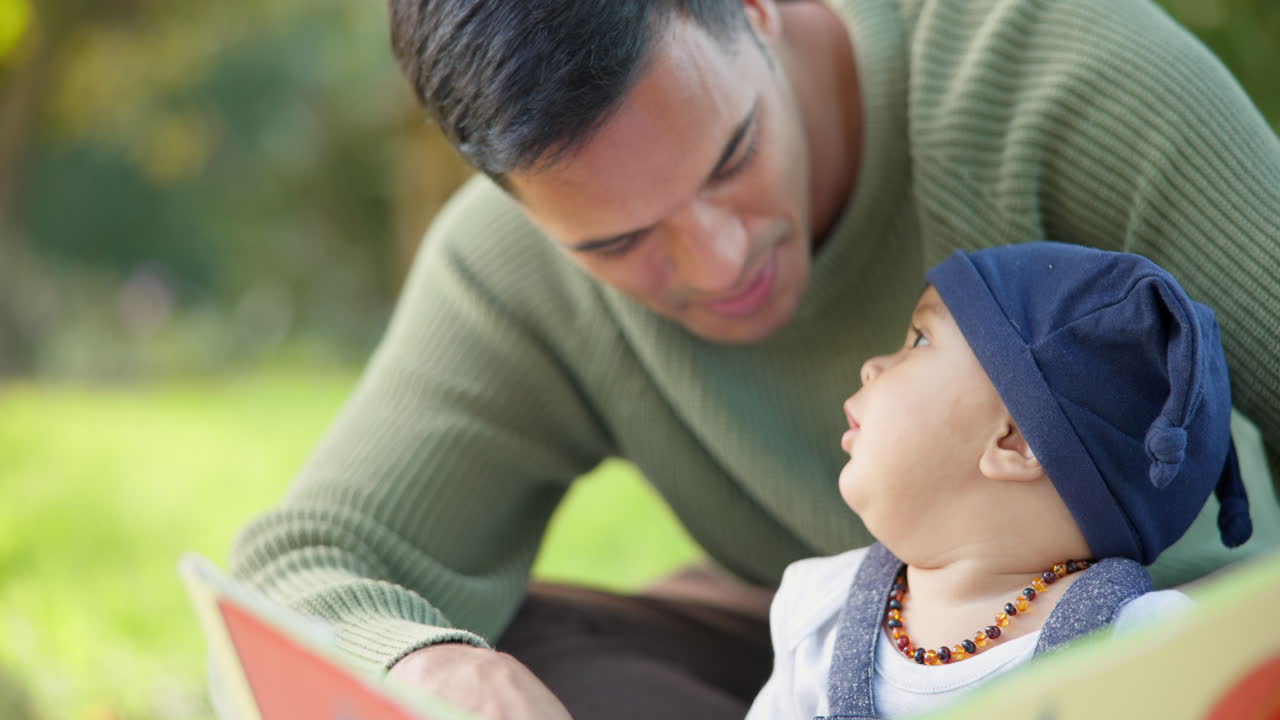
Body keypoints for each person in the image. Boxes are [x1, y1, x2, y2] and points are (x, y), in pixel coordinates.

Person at [228, 1, 1280, 718]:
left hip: (1177, 664)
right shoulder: (509, 270)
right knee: (511, 651)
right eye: (617, 244)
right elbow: (310, 562)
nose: (717, 261)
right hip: (835, 661)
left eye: (729, 159)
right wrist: (434, 667)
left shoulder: (1057, 71)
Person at [745, 242, 1252, 720]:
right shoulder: (820, 615)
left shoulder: (1134, 647)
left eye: (919, 339)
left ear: (1015, 441)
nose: (872, 366)